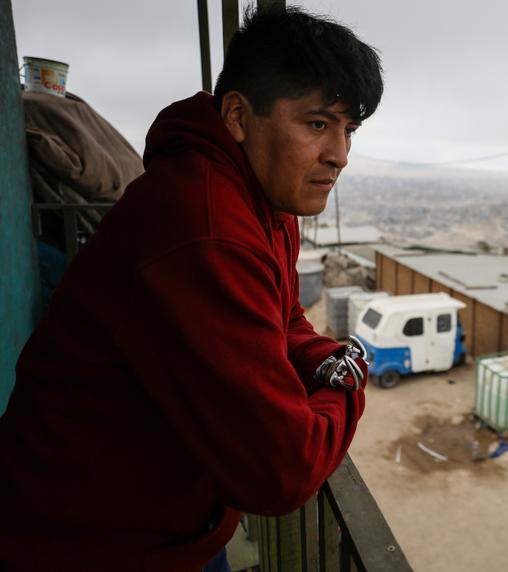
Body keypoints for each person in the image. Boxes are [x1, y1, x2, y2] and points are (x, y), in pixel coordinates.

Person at [0, 6, 383, 571]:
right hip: (87, 542)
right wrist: (349, 381)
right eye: (317, 124)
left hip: (168, 524)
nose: (340, 155)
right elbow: (282, 470)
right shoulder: (205, 228)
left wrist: (325, 359)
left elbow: (283, 321)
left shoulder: (260, 199)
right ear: (236, 116)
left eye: (348, 129)